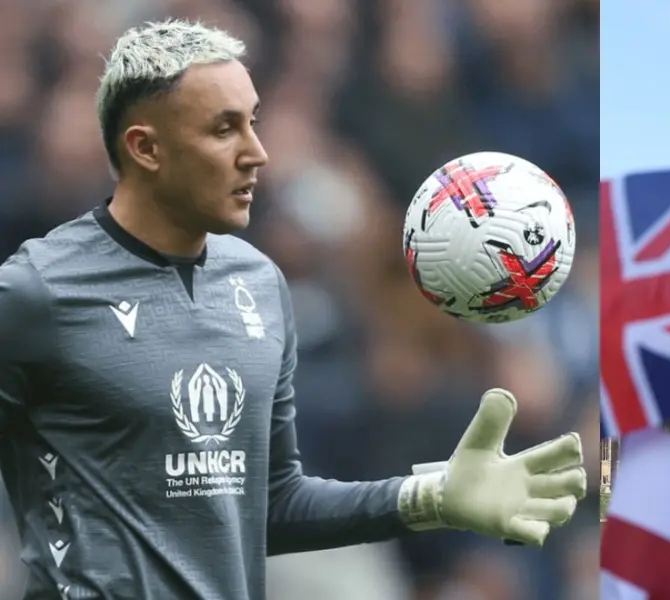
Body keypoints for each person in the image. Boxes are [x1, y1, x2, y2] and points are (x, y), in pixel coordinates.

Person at [0, 18, 587, 600]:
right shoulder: (40, 289)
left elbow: (273, 505)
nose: (258, 154)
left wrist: (431, 497)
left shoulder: (256, 284)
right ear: (145, 147)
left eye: (253, 125)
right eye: (224, 130)